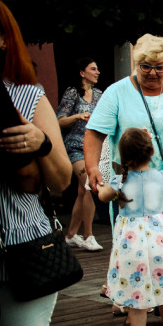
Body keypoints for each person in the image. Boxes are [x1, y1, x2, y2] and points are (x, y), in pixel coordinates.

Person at [0, 0, 74, 326]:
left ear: (3, 40)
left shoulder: (27, 96)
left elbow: (64, 180)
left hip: (22, 244)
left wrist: (41, 144)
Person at [84, 35, 163, 280]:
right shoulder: (116, 93)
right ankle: (133, 299)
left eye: (160, 68)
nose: (153, 73)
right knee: (132, 249)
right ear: (136, 64)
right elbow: (94, 133)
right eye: (146, 67)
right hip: (128, 185)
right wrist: (93, 167)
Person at [98, 128, 163, 326]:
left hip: (130, 248)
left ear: (123, 156)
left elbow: (102, 196)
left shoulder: (119, 180)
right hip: (158, 245)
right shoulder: (160, 176)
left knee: (135, 298)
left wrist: (99, 184)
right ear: (151, 152)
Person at [56, 57, 103, 251]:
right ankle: (88, 235)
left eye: (97, 69)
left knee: (82, 191)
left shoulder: (100, 94)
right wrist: (78, 116)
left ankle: (70, 235)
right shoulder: (72, 93)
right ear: (82, 73)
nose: (97, 72)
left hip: (93, 148)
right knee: (89, 184)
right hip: (75, 147)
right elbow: (59, 120)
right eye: (93, 69)